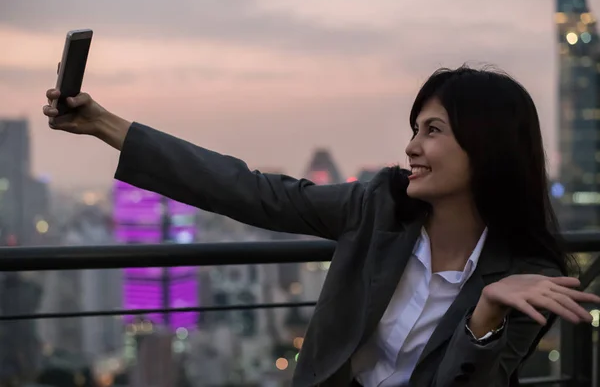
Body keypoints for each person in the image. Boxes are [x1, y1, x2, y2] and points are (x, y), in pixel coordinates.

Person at [43, 65, 600, 387]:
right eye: (415, 128)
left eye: (433, 130)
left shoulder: (528, 276)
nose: (411, 147)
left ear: (489, 147)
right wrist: (105, 125)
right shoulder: (376, 206)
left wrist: (485, 318)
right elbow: (249, 191)